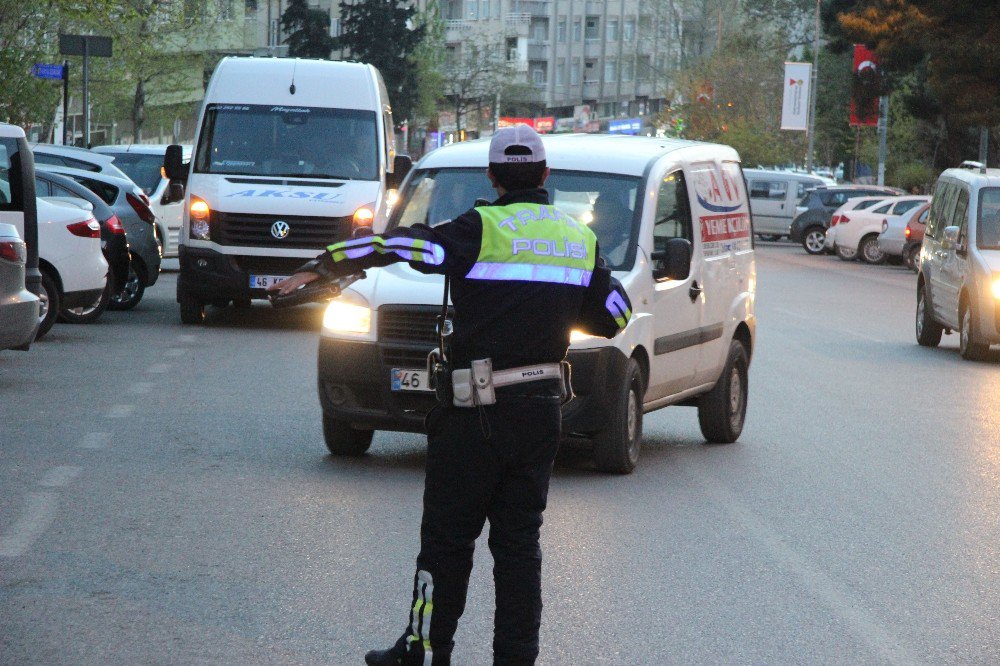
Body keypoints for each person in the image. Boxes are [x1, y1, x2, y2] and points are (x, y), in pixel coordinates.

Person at [270, 125, 631, 665]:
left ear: (491, 176)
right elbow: (615, 316)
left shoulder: (477, 229)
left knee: (446, 542)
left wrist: (321, 266)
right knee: (519, 547)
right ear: (545, 175)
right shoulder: (578, 240)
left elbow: (396, 244)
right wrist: (559, 305)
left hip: (473, 414)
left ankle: (422, 650)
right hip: (539, 414)